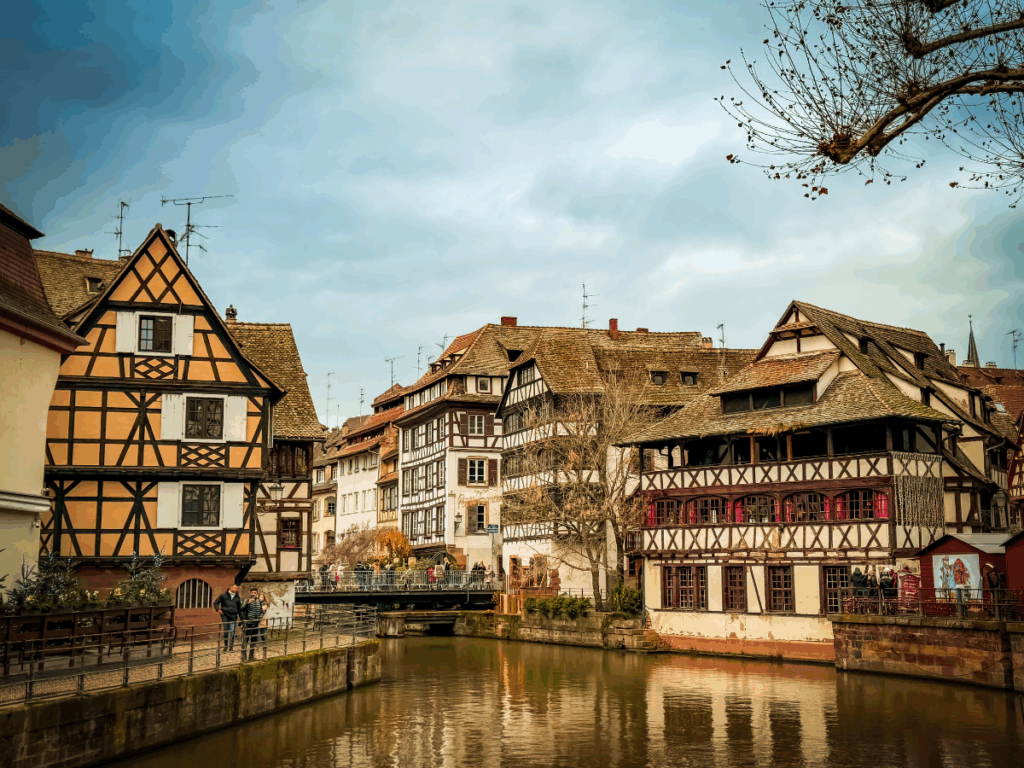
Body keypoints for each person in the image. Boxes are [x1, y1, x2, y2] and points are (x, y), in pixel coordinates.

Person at [240, 588, 268, 661]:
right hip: (247, 624)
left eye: (254, 593)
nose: (253, 594)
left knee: (253, 642)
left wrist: (258, 619)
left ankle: (251, 657)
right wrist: (247, 603)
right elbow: (241, 609)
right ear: (250, 593)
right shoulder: (246, 601)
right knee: (245, 641)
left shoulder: (260, 602)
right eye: (252, 592)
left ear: (257, 593)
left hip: (256, 624)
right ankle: (243, 657)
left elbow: (262, 612)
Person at [213, 584, 242, 651]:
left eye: (236, 588)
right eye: (234, 588)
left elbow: (239, 608)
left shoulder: (237, 597)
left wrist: (241, 618)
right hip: (225, 614)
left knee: (232, 631)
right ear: (230, 587)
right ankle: (226, 646)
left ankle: (231, 647)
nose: (236, 589)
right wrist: (218, 609)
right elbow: (216, 602)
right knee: (226, 631)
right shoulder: (223, 596)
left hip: (233, 616)